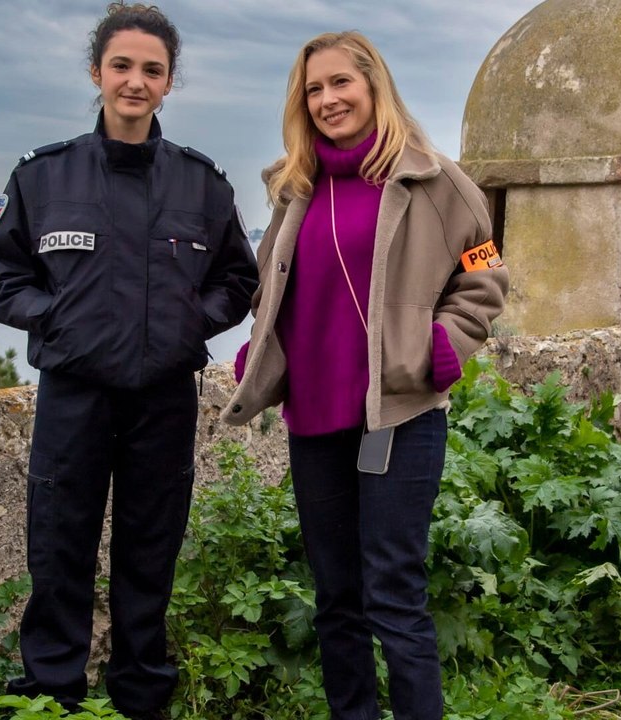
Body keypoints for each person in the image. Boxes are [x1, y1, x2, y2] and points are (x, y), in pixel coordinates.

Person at [0, 4, 258, 718]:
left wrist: (192, 323)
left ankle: (139, 700)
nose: (135, 81)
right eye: (122, 66)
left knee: (148, 557)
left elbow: (239, 281)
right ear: (98, 73)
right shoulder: (44, 177)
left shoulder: (203, 184)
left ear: (168, 84)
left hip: (163, 398)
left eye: (152, 70)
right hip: (74, 395)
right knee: (59, 553)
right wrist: (58, 320)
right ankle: (52, 697)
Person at [221, 30, 509, 720]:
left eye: (340, 83)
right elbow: (279, 286)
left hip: (400, 417)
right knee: (337, 601)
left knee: (394, 596)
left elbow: (486, 270)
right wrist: (262, 349)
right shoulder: (293, 188)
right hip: (314, 419)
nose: (328, 99)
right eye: (313, 89)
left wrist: (447, 344)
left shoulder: (435, 181)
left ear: (373, 85)